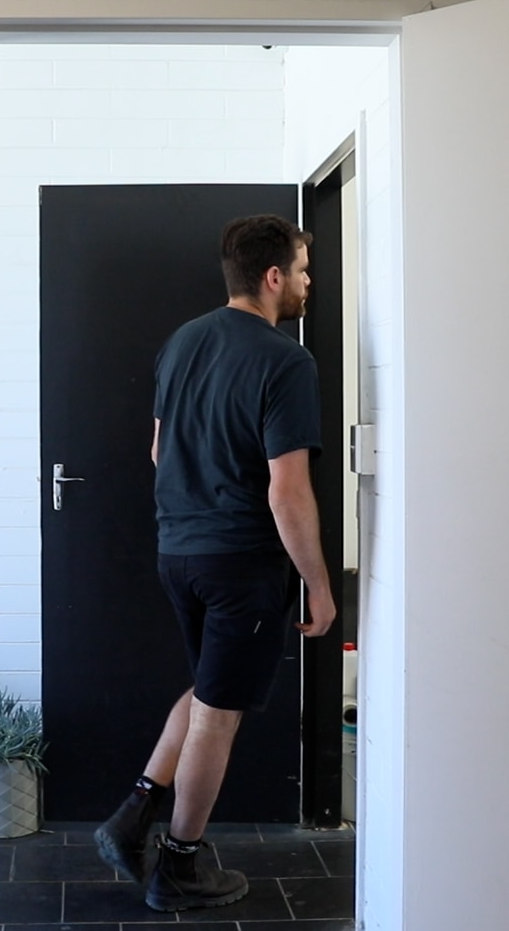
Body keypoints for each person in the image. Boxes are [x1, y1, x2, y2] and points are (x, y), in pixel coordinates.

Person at [94, 214, 337, 913]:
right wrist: (318, 587)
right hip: (241, 563)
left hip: (179, 553)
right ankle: (178, 865)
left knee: (207, 692)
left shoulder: (182, 342)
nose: (305, 282)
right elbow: (287, 492)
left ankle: (133, 818)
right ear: (271, 278)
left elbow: (156, 452)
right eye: (300, 270)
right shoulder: (287, 361)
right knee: (219, 717)